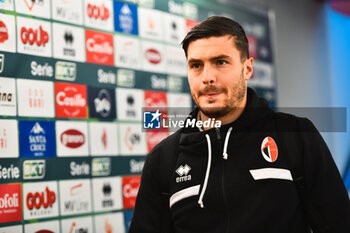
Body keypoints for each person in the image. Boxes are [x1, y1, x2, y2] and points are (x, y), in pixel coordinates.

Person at [129, 16, 350, 233]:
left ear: (247, 69)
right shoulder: (163, 159)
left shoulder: (295, 136)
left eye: (221, 62)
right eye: (196, 65)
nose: (207, 77)